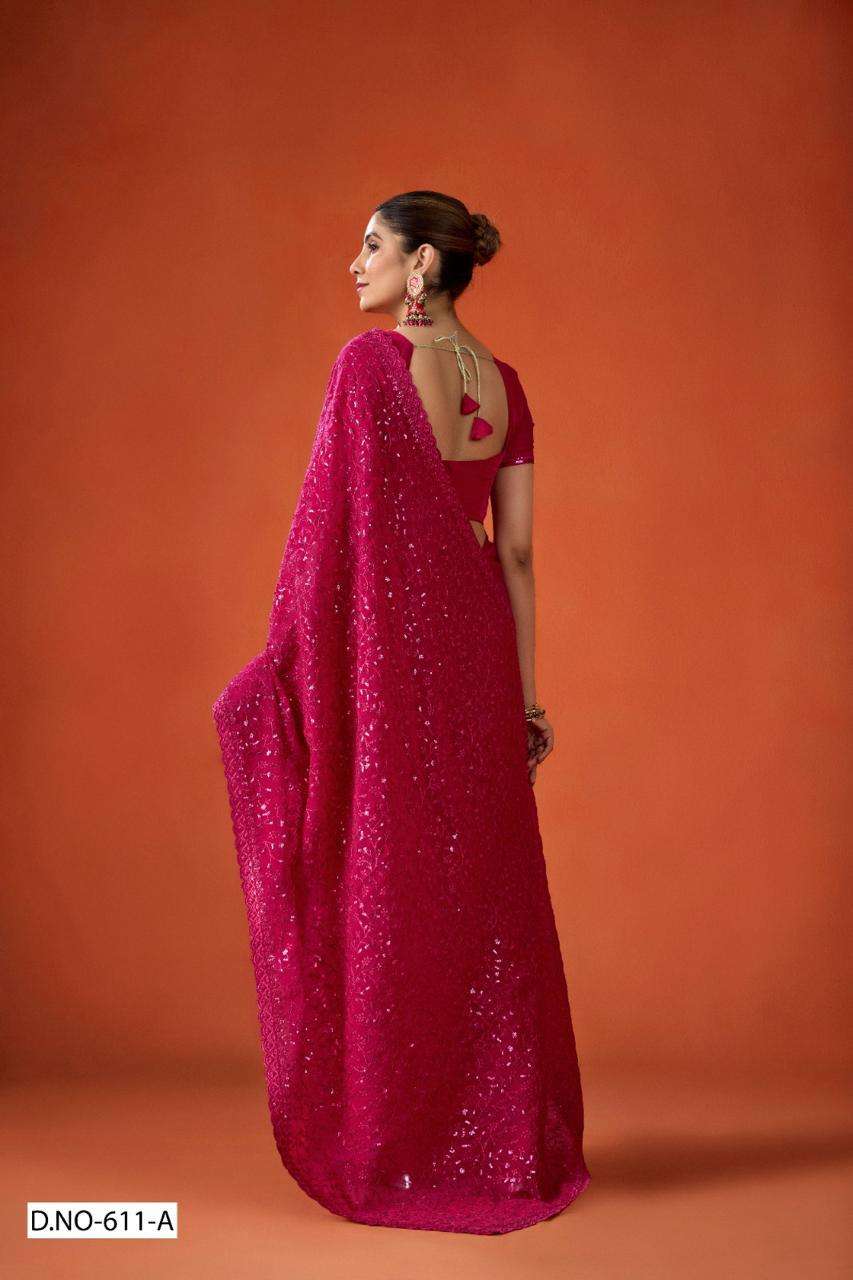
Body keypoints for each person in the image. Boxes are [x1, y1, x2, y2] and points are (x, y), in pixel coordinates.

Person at [212, 189, 591, 1235]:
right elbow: (516, 555)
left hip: (392, 652)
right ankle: (500, 1136)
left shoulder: (371, 365)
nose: (355, 263)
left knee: (391, 882)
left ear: (423, 262)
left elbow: (333, 535)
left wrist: (290, 661)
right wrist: (522, 698)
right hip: (476, 651)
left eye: (372, 245)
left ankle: (405, 1141)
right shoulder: (506, 385)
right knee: (477, 890)